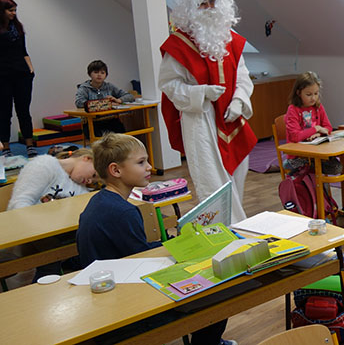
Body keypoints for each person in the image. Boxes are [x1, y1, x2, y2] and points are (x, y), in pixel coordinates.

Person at [76, 133, 235, 345]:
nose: (150, 167)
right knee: (216, 293)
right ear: (116, 170)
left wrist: (171, 242)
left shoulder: (101, 201)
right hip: (125, 307)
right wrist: (180, 245)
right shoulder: (123, 212)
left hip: (107, 296)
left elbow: (135, 251)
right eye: (141, 162)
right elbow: (145, 260)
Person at [159, 0, 257, 224]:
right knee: (212, 182)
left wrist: (239, 101)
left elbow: (243, 75)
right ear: (190, 9)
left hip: (232, 119)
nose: (210, 8)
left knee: (238, 176)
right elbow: (169, 85)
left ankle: (237, 227)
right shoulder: (178, 45)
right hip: (200, 120)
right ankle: (224, 231)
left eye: (213, 2)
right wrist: (201, 92)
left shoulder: (230, 39)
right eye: (203, 4)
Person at [283, 71, 342, 174]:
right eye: (308, 94)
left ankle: (313, 182)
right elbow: (295, 137)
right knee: (327, 167)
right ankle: (307, 179)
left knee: (336, 167)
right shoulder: (293, 109)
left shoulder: (318, 107)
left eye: (316, 93)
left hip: (316, 153)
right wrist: (316, 128)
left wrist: (318, 134)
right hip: (297, 157)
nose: (313, 98)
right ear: (298, 93)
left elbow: (328, 127)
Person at [0, 0, 37, 158]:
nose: (14, 13)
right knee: (4, 113)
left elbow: (23, 51)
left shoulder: (18, 28)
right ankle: (6, 147)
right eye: (10, 10)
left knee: (24, 111)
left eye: (15, 10)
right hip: (3, 77)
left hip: (22, 75)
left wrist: (31, 70)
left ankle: (30, 145)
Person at [8, 148, 97, 210]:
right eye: (93, 175)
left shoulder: (82, 188)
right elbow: (19, 204)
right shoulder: (44, 164)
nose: (90, 181)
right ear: (87, 158)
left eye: (94, 181)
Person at [75, 59, 134, 135]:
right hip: (92, 122)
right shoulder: (84, 88)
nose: (99, 75)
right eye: (96, 72)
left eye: (102, 73)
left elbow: (130, 96)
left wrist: (119, 100)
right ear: (90, 74)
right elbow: (79, 103)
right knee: (100, 138)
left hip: (110, 120)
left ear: (106, 75)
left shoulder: (109, 86)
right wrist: (105, 104)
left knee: (122, 135)